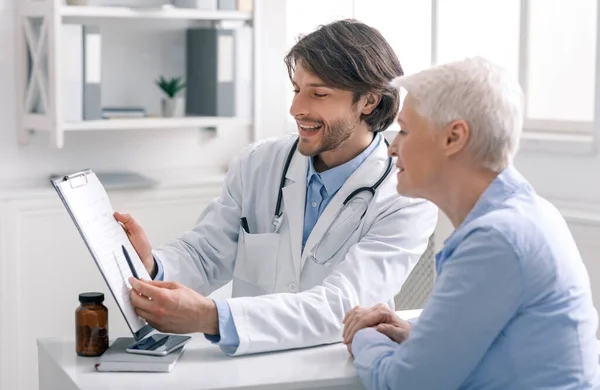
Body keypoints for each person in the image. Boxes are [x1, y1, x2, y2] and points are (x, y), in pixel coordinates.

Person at [114, 19, 438, 356]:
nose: (296, 108)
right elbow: (207, 251)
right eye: (297, 89)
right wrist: (151, 263)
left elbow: (344, 304)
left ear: (368, 102)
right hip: (248, 368)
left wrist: (211, 317)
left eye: (319, 93)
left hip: (334, 368)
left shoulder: (407, 194)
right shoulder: (260, 162)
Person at [342, 56, 600, 389]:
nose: (393, 147)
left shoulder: (497, 239)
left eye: (404, 130)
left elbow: (406, 383)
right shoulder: (524, 214)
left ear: (454, 137)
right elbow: (500, 339)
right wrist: (418, 335)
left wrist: (363, 336)